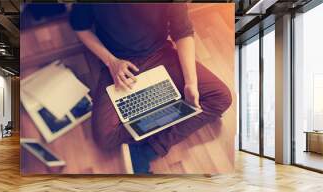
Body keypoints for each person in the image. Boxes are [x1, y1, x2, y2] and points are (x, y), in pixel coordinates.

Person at [69, 3, 232, 174]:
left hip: (160, 52)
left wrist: (190, 83)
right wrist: (111, 62)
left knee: (221, 97)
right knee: (105, 137)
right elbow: (80, 27)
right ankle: (178, 113)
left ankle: (147, 151)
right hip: (118, 63)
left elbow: (182, 31)